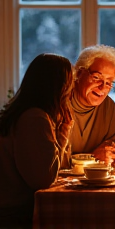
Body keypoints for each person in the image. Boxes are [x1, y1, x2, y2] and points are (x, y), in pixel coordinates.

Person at [0, 53, 74, 229]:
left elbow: (56, 169)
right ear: (59, 86)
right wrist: (63, 134)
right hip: (15, 213)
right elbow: (44, 179)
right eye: (70, 82)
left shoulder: (32, 114)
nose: (71, 89)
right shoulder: (34, 118)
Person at [69, 44, 115, 165]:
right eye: (97, 77)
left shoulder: (108, 106)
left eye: (109, 83)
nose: (103, 87)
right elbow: (47, 161)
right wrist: (93, 157)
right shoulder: (60, 103)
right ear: (79, 73)